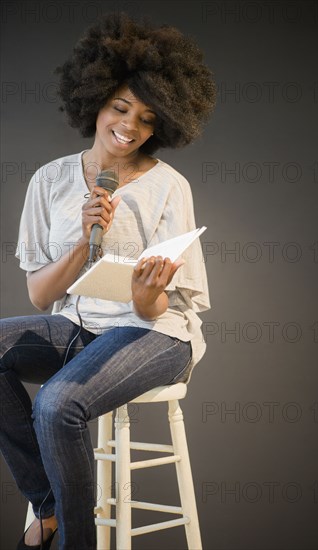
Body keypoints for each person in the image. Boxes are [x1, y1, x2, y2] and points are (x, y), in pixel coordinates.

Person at [0, 12, 216, 550]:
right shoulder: (49, 180)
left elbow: (158, 306)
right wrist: (82, 242)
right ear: (93, 101)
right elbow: (42, 296)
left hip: (156, 334)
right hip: (80, 326)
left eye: (146, 118)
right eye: (120, 107)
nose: (130, 126)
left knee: (57, 404)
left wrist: (146, 293)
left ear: (162, 123)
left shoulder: (170, 186)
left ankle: (77, 542)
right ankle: (48, 503)